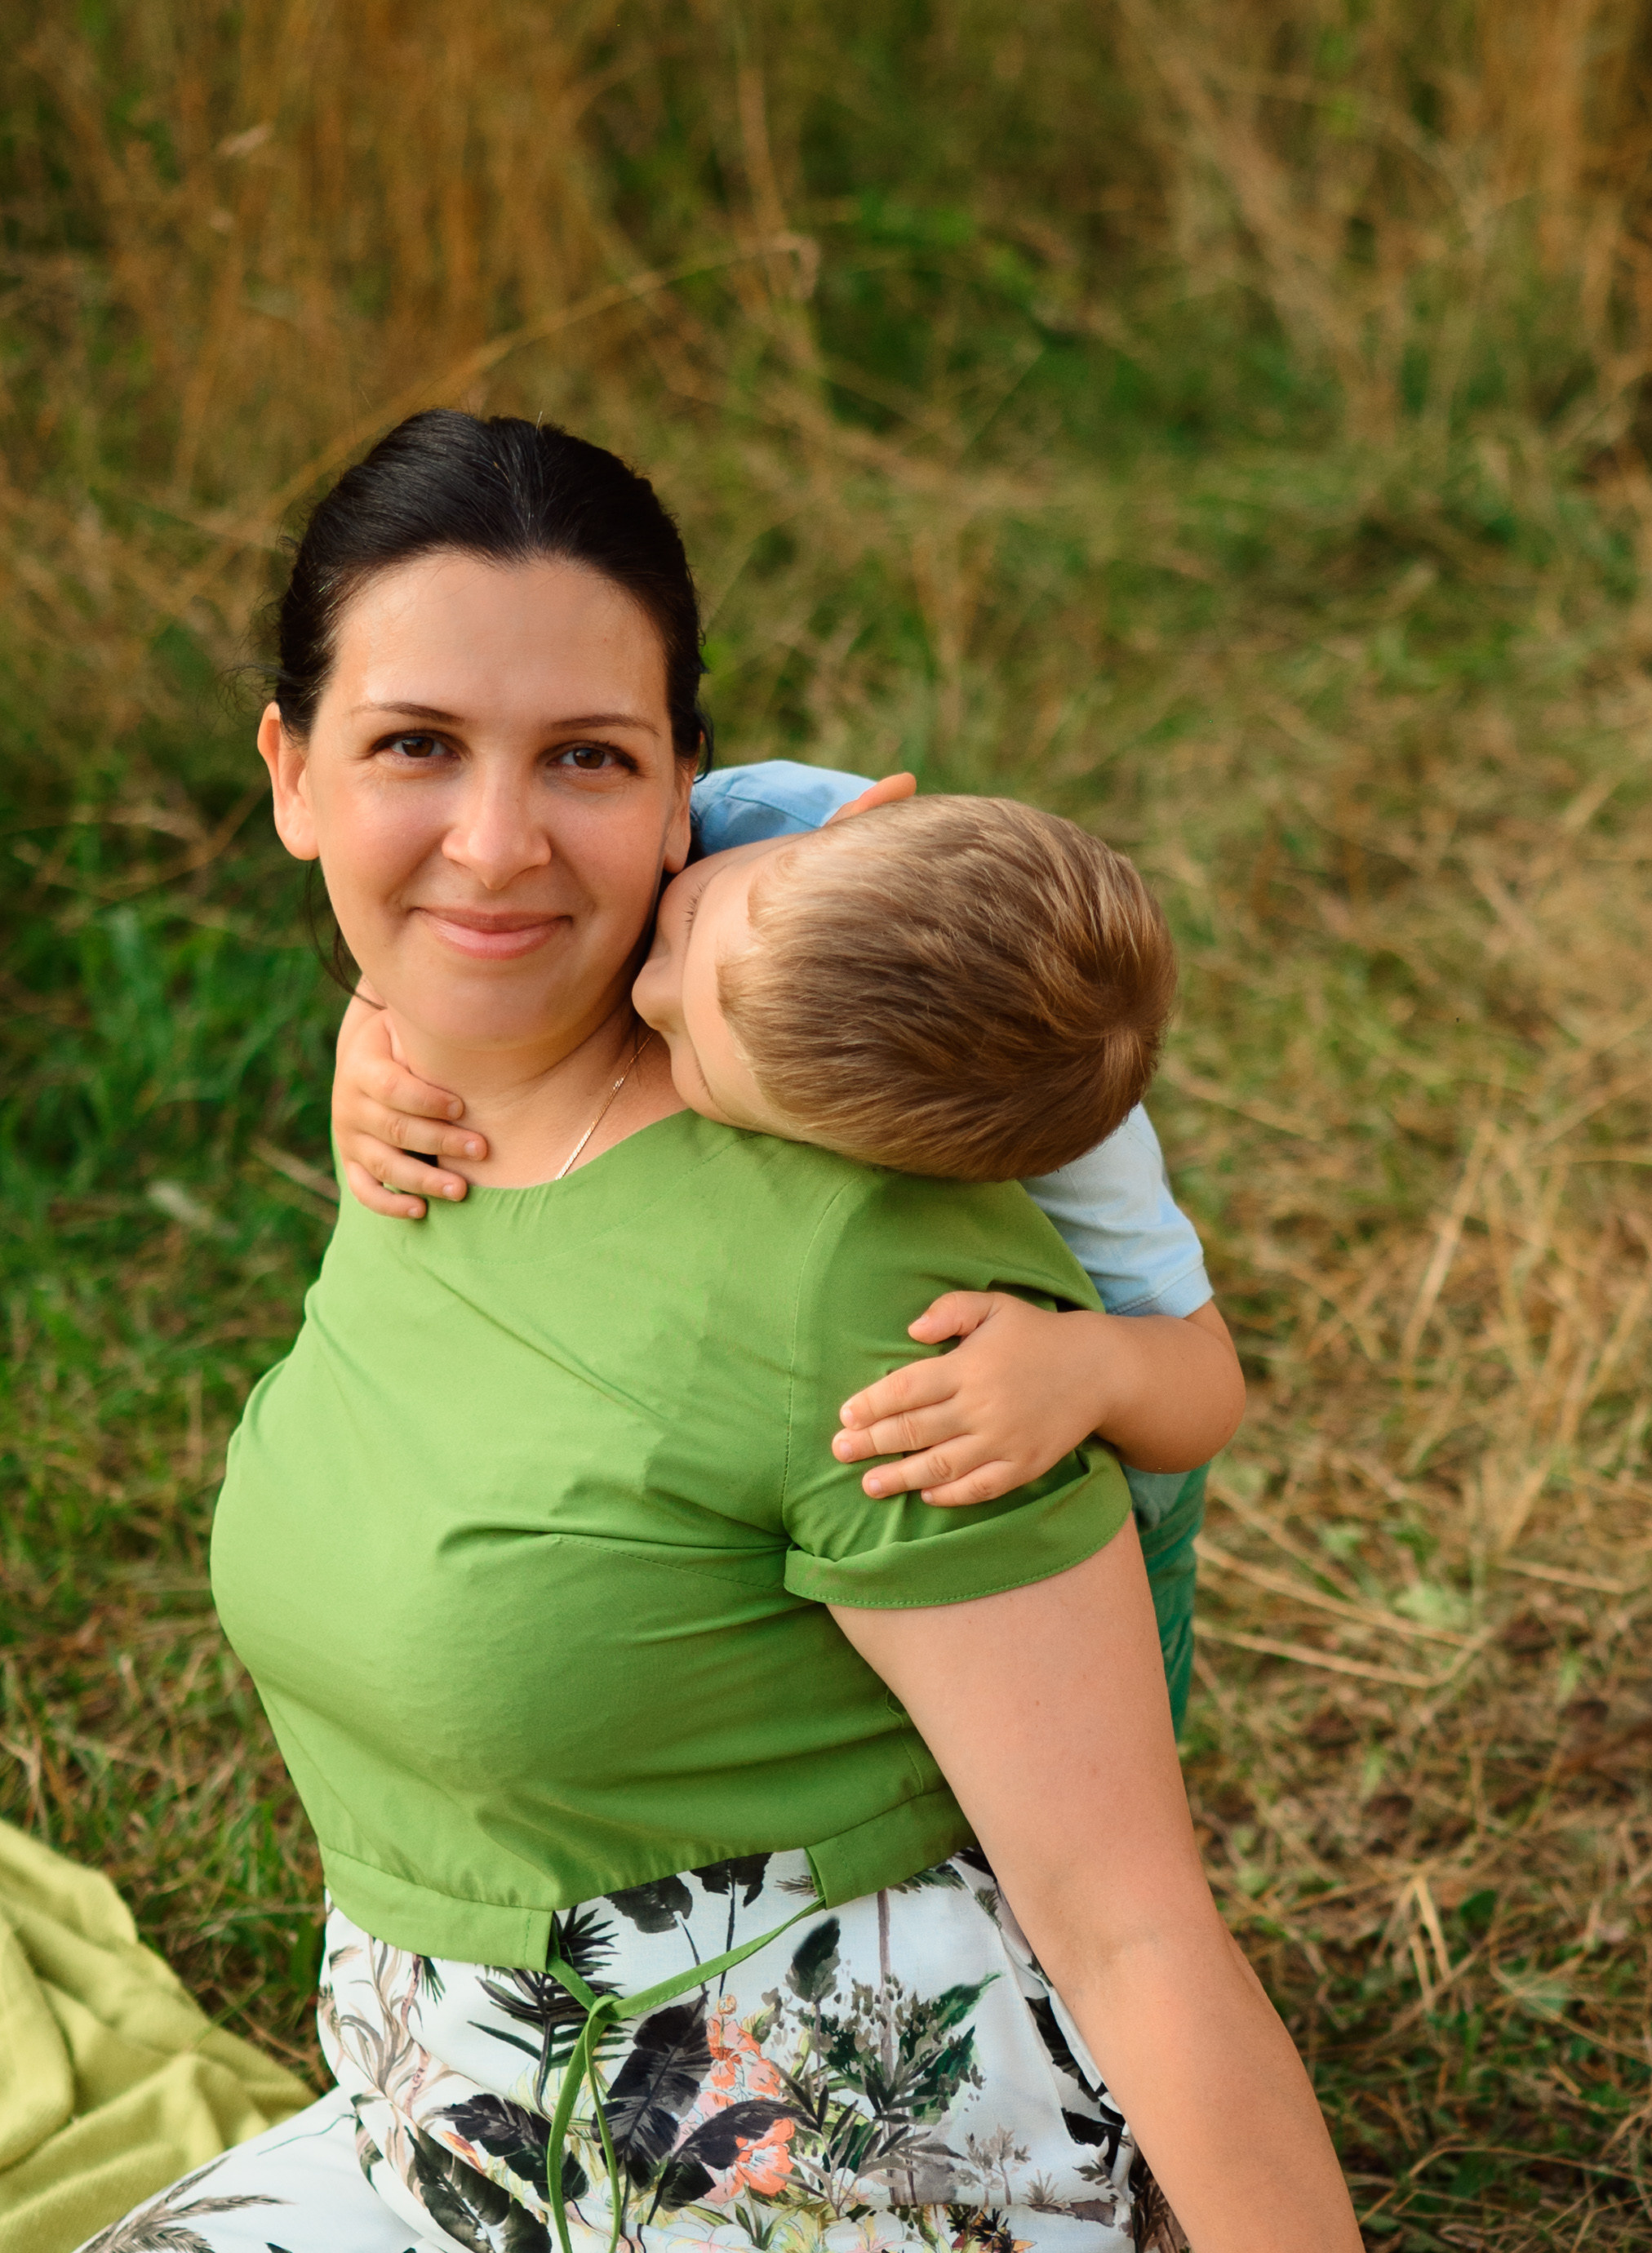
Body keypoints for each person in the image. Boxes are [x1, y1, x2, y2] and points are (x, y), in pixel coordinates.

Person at [83, 411, 1359, 2253]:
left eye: (585, 759)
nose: (498, 845)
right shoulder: (419, 1097)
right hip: (443, 2124)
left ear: (689, 784)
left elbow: (1133, 1919)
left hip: (819, 2169)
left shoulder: (868, 1259)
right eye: (415, 747)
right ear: (291, 775)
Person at [331, 771, 1223, 1723]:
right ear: (859, 816)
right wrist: (370, 1036)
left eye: (688, 1051)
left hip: (1114, 1520)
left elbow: (1209, 1382)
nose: (647, 985)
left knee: (1097, 1711)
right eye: (692, 924)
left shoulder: (1086, 1154)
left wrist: (1094, 1369)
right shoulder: (737, 822)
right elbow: (439, 932)